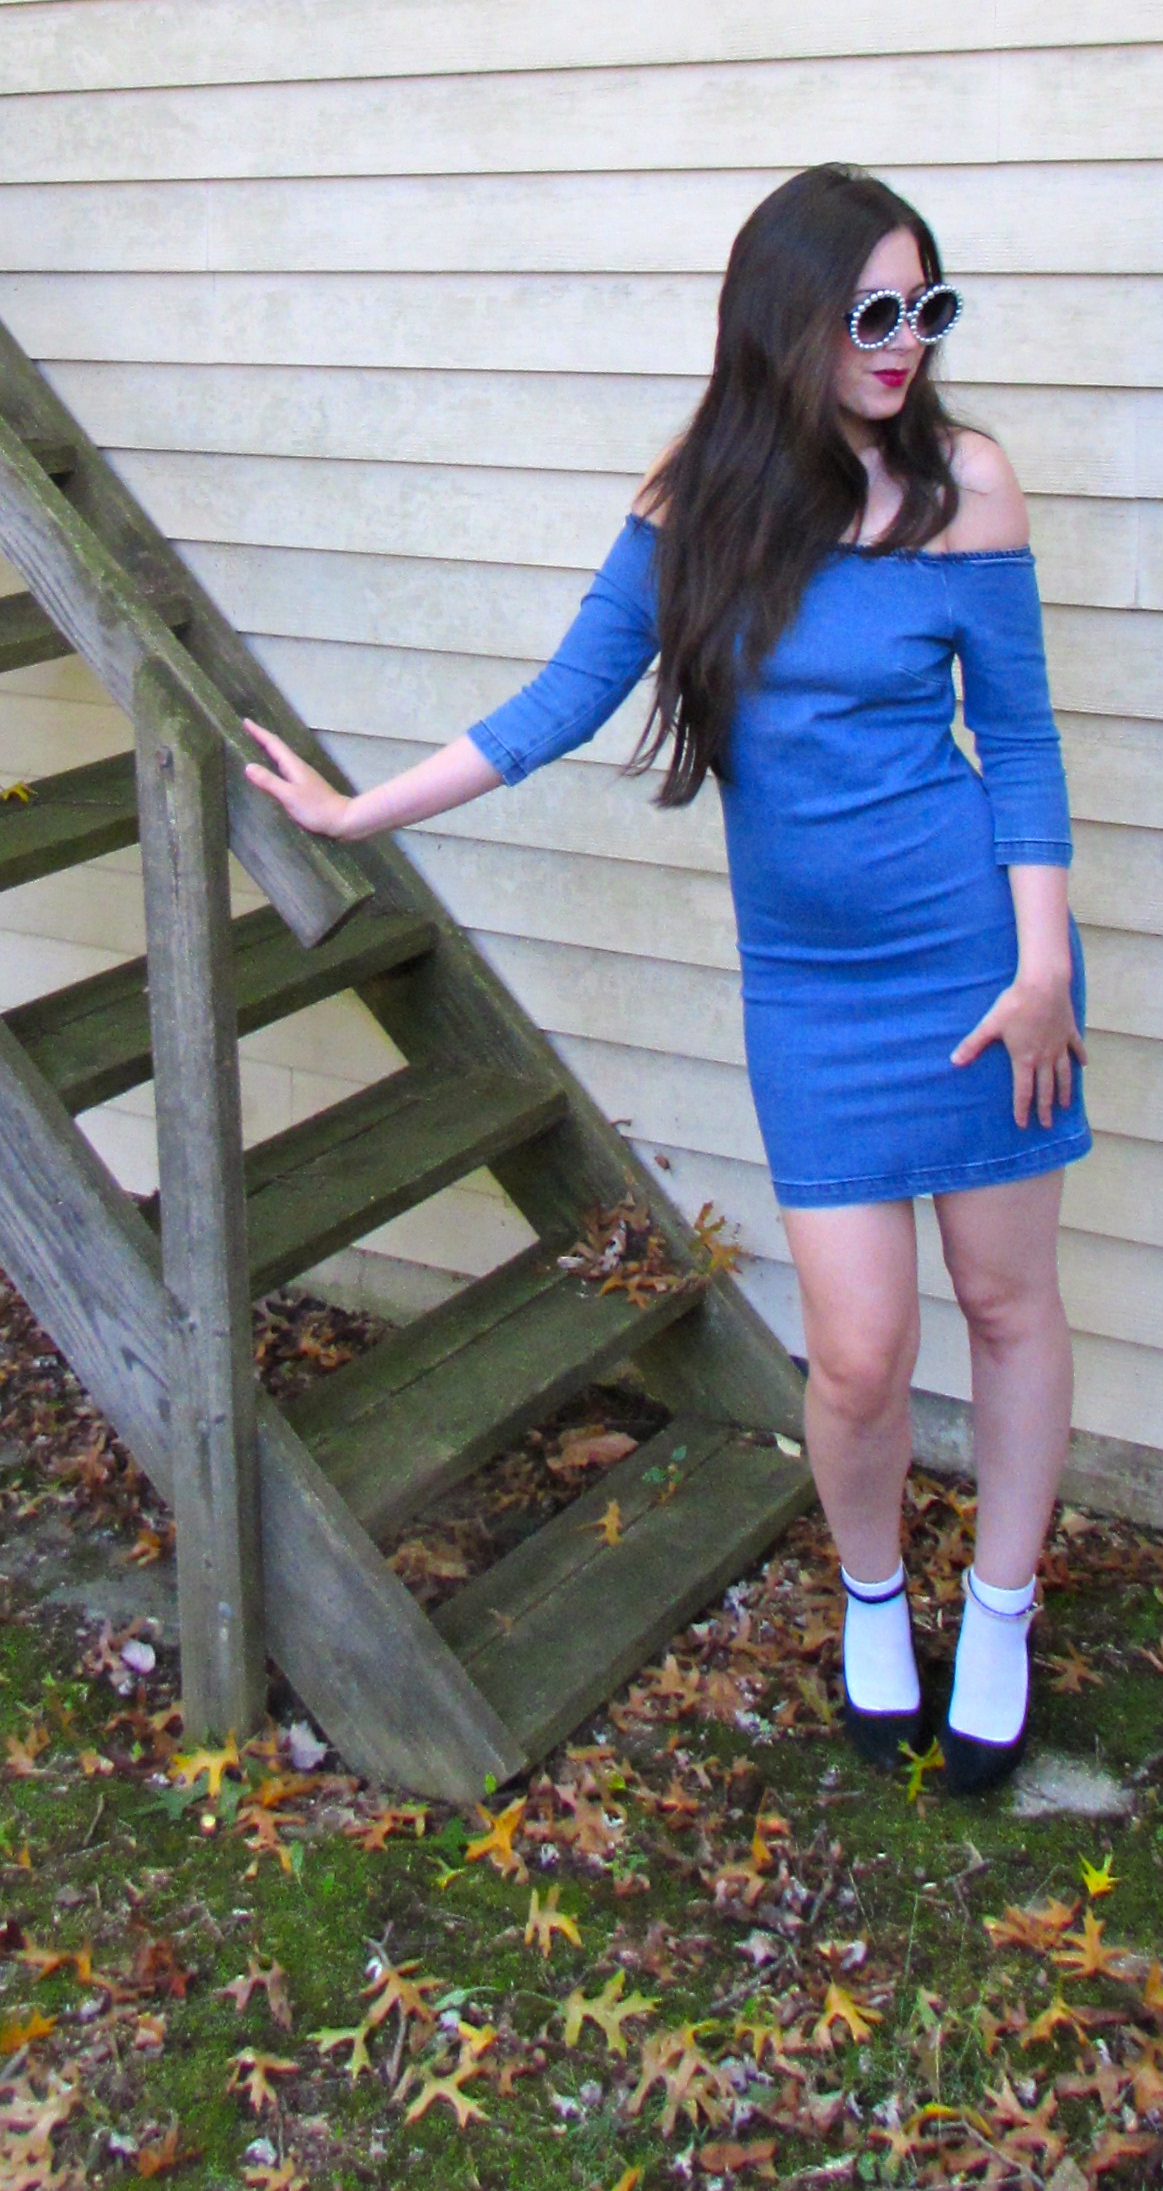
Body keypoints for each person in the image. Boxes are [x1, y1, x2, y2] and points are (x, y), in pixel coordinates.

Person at [243, 164, 1088, 1797]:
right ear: (786, 318)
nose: (904, 344)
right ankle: (872, 1596)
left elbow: (1023, 740)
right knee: (859, 1353)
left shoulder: (967, 487)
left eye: (926, 309)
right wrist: (357, 812)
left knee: (1005, 1303)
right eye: (871, 313)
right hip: (816, 994)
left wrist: (1044, 965)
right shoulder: (692, 504)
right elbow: (560, 703)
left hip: (983, 964)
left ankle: (1000, 1609)